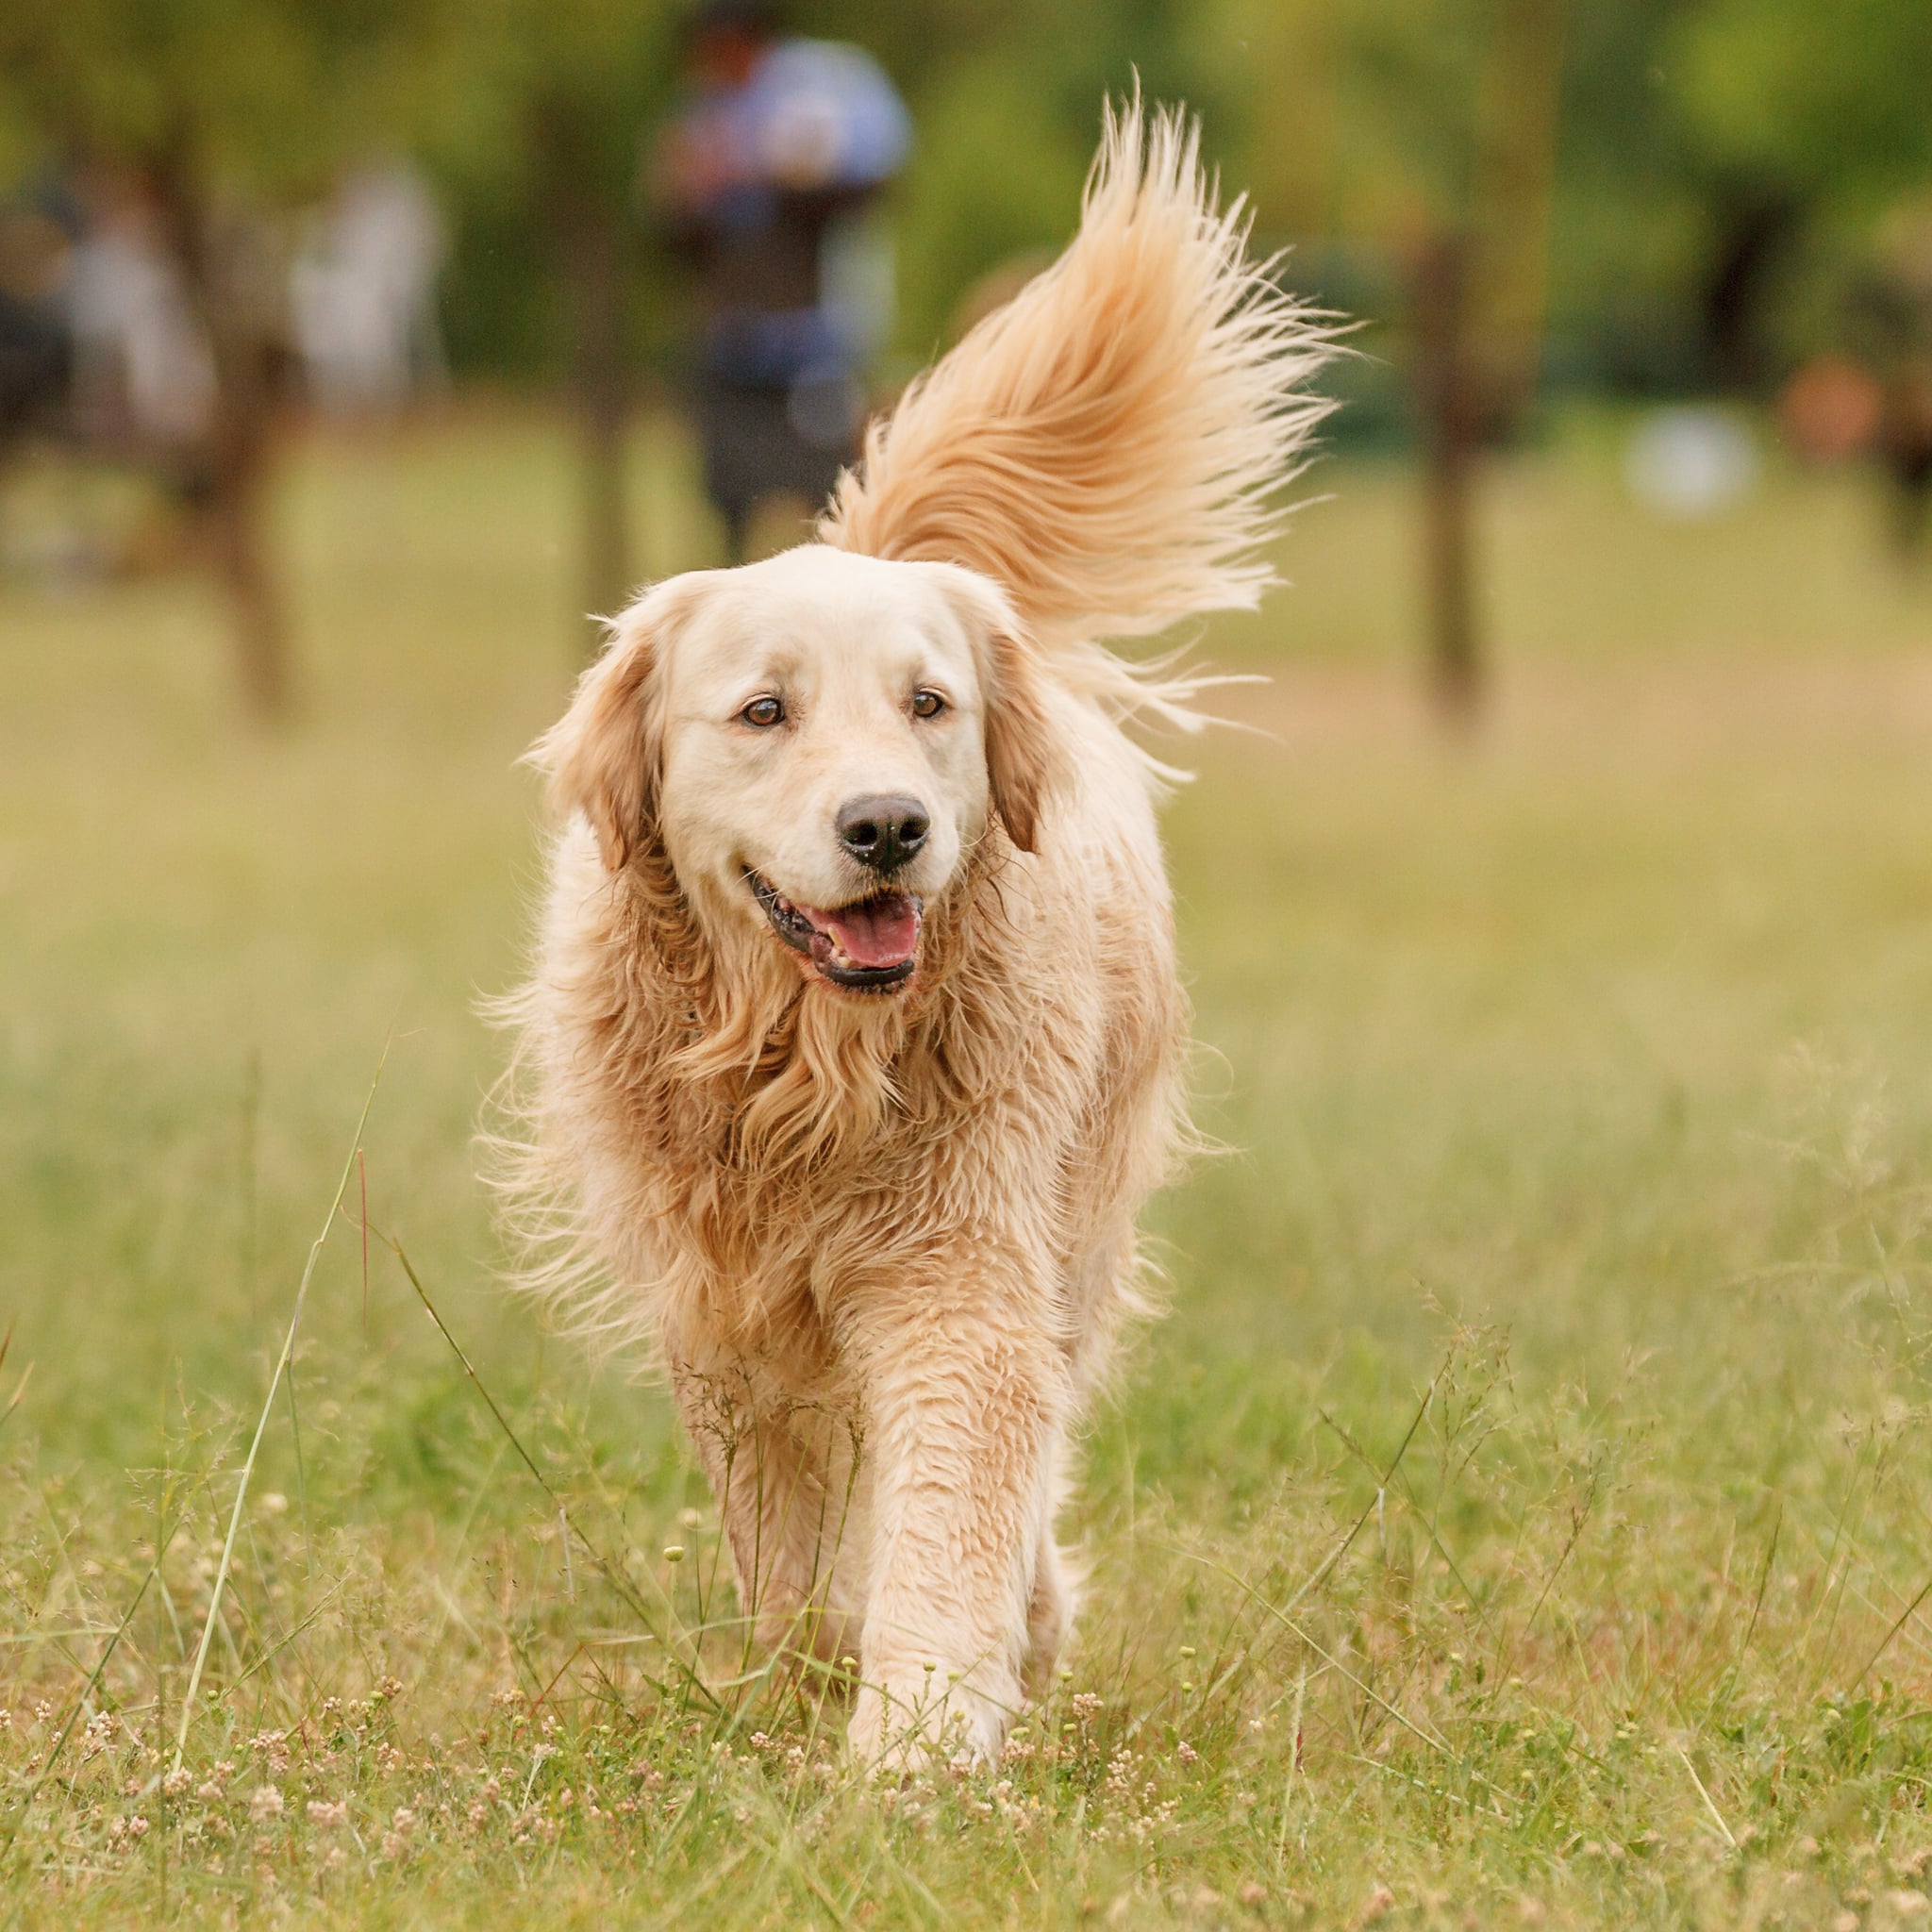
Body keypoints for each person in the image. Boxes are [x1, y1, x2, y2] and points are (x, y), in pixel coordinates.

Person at [651, 1, 908, 558]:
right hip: (735, 346)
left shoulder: (824, 84)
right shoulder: (704, 109)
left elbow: (871, 172)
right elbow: (674, 218)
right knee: (729, 496)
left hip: (816, 341)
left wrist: (760, 170)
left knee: (833, 494)